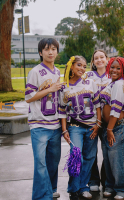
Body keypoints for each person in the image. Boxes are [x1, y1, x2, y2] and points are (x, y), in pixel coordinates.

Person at [58, 56, 101, 200]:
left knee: (89, 157)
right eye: (79, 65)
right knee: (76, 157)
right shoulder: (64, 86)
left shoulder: (90, 83)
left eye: (84, 66)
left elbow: (97, 105)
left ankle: (84, 187)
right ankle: (74, 188)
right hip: (75, 127)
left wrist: (98, 124)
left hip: (91, 127)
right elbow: (62, 110)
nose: (82, 68)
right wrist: (64, 130)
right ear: (71, 65)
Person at [25, 38, 63, 200]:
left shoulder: (57, 72)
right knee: (40, 164)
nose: (50, 52)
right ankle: (41, 196)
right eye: (46, 49)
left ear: (57, 52)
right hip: (39, 125)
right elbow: (29, 96)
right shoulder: (35, 71)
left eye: (53, 49)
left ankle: (51, 189)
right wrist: (51, 89)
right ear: (41, 53)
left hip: (55, 124)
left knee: (53, 162)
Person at [100, 57, 124, 200]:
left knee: (119, 158)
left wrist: (110, 129)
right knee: (109, 159)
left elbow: (116, 108)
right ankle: (111, 186)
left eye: (118, 68)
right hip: (108, 126)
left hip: (117, 127)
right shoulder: (112, 83)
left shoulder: (120, 84)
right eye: (112, 67)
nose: (114, 70)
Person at [86, 49, 111, 192]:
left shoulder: (112, 74)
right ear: (93, 61)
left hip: (107, 120)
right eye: (96, 58)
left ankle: (107, 182)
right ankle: (93, 180)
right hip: (92, 120)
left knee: (108, 152)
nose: (99, 60)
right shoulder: (87, 76)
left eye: (102, 57)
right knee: (91, 152)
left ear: (107, 58)